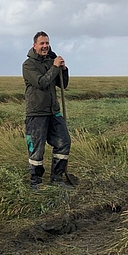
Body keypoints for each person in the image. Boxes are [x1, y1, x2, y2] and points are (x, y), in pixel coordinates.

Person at [22, 31, 73, 190]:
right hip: (36, 113)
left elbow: (62, 85)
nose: (45, 46)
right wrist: (54, 67)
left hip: (53, 111)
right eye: (42, 43)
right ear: (34, 45)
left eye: (47, 43)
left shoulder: (52, 61)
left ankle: (57, 178)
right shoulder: (28, 65)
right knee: (37, 150)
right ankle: (35, 182)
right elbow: (42, 82)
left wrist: (63, 70)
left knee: (64, 142)